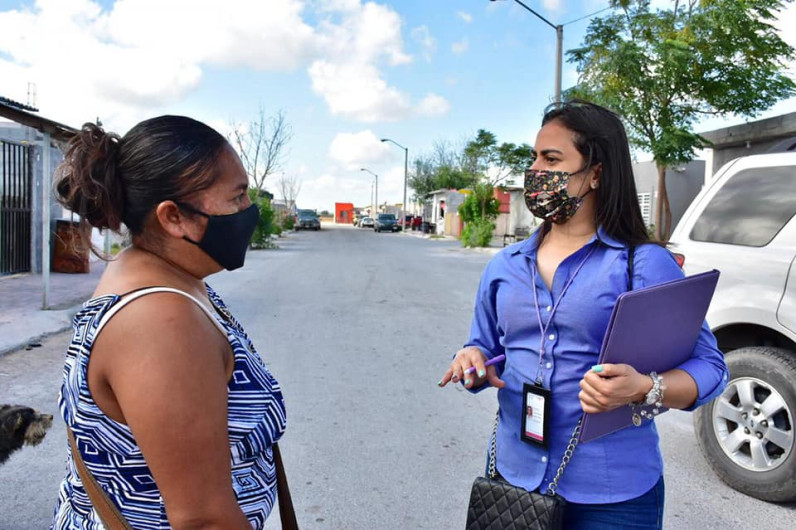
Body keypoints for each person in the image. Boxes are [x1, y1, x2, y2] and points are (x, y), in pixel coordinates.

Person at [439, 100, 728, 529]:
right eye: (534, 158)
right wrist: (473, 360)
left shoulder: (643, 265)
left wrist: (644, 388)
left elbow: (709, 368)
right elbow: (485, 347)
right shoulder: (504, 266)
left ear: (595, 172)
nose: (536, 171)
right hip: (512, 476)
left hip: (612, 495)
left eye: (552, 159)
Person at [51, 116, 286, 529]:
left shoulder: (163, 276)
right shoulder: (160, 321)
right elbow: (203, 519)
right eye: (238, 197)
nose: (249, 212)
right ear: (174, 217)